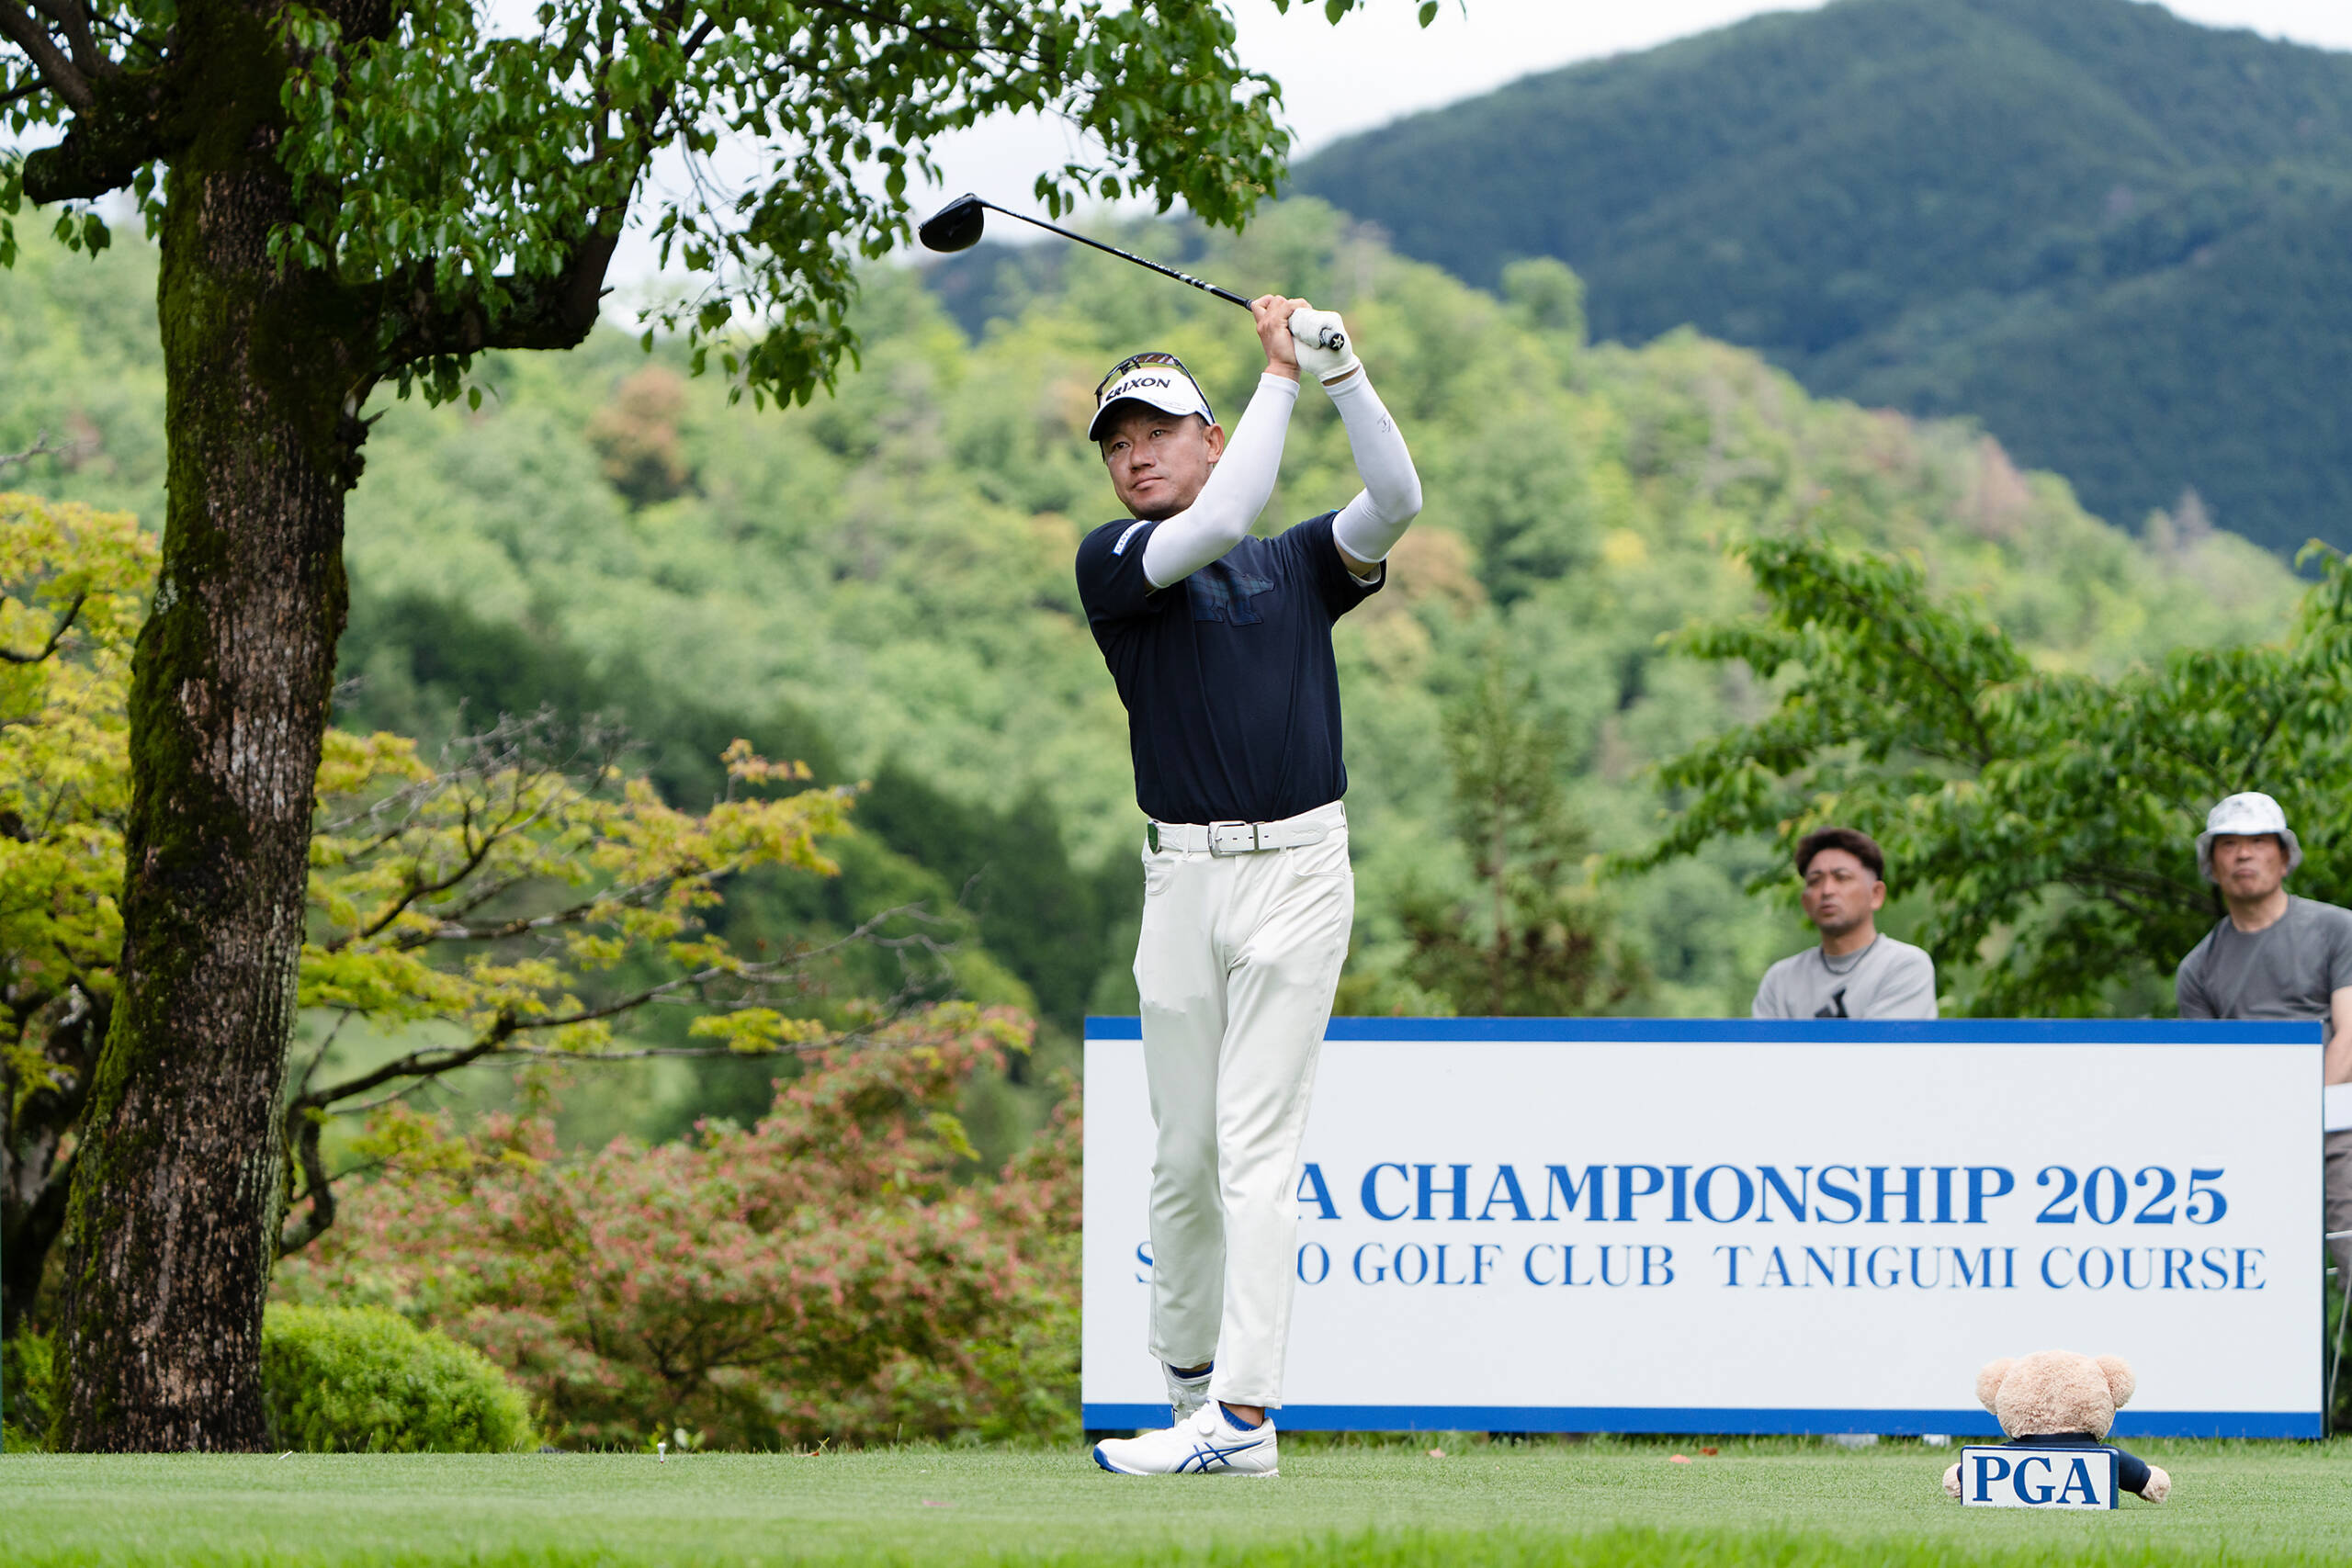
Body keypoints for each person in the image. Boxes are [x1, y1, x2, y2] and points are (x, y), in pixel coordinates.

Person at [1074, 296, 1421, 1477]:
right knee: (1181, 1157)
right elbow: (1220, 519)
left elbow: (1397, 501)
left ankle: (1242, 1416)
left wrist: (1341, 373)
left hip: (1300, 873)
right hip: (1180, 880)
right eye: (1118, 443)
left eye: (1158, 433)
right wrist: (1278, 373)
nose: (1135, 456)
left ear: (1209, 439)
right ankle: (1187, 1398)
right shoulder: (1115, 562)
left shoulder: (1296, 566)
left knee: (1254, 1148)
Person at [2173, 792, 2352, 1285]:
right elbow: (2206, 1075)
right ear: (2212, 864)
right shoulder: (2197, 968)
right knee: (2246, 1270)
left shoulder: (2339, 929)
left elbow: (2349, 1035)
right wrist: (2265, 1132)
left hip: (2340, 1121)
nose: (2243, 854)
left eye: (2257, 842)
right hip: (2247, 1136)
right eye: (2228, 844)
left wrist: (2306, 1116)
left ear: (2284, 856)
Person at [1752, 827, 1938, 1020]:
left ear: (1876, 894)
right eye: (1815, 881)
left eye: (1841, 877)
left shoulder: (1905, 966)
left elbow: (1885, 1040)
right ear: (1805, 902)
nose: (1827, 890)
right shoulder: (1780, 980)